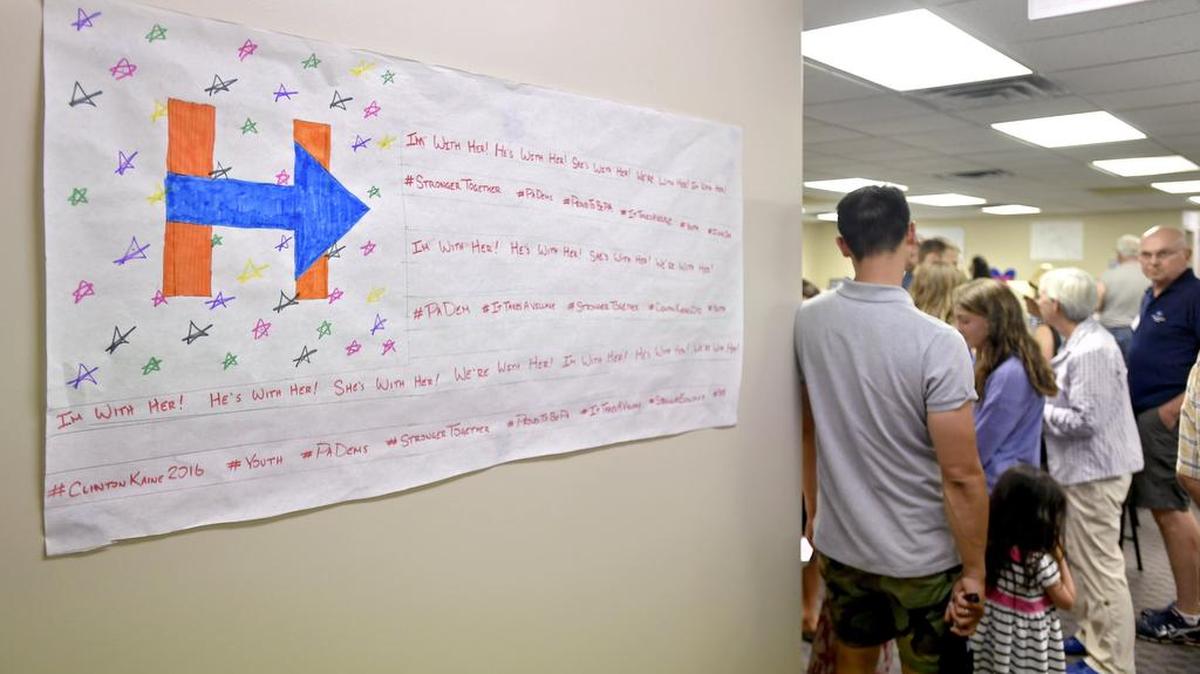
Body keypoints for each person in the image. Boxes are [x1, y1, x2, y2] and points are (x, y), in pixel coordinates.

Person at [795, 185, 988, 673]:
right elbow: (962, 475)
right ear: (911, 237)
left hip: (843, 546)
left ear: (842, 245)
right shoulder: (939, 342)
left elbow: (807, 429)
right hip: (920, 559)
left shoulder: (807, 322)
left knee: (853, 665)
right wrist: (974, 570)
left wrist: (816, 514)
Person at [1038, 267, 1144, 674]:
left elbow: (1086, 419)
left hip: (1095, 474)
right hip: (1082, 471)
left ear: (1057, 305)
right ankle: (1091, 637)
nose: (1038, 302)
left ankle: (1112, 664)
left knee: (1102, 569)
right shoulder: (1080, 341)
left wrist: (1036, 407)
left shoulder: (1092, 350)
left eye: (1043, 296)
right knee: (1083, 561)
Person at [1126, 226, 1200, 643]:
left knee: (1172, 512)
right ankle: (1190, 605)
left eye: (1163, 254)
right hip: (1148, 417)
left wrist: (1174, 411)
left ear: (1185, 254)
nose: (1153, 262)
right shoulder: (1152, 294)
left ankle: (1189, 612)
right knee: (1164, 511)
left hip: (1167, 421)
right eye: (1146, 254)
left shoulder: (1194, 296)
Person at [953, 279, 1058, 490]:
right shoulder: (985, 360)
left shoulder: (1011, 373)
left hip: (1003, 487)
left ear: (992, 322)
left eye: (965, 321)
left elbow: (982, 442)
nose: (958, 328)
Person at [970, 465, 1076, 673]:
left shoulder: (991, 548)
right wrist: (1061, 557)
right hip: (1027, 647)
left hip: (994, 636)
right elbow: (1067, 600)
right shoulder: (1038, 562)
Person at [1097, 235, 1150, 360]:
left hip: (1107, 331)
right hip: (1136, 332)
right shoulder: (1149, 276)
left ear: (1119, 254)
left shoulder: (1107, 276)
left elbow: (1097, 305)